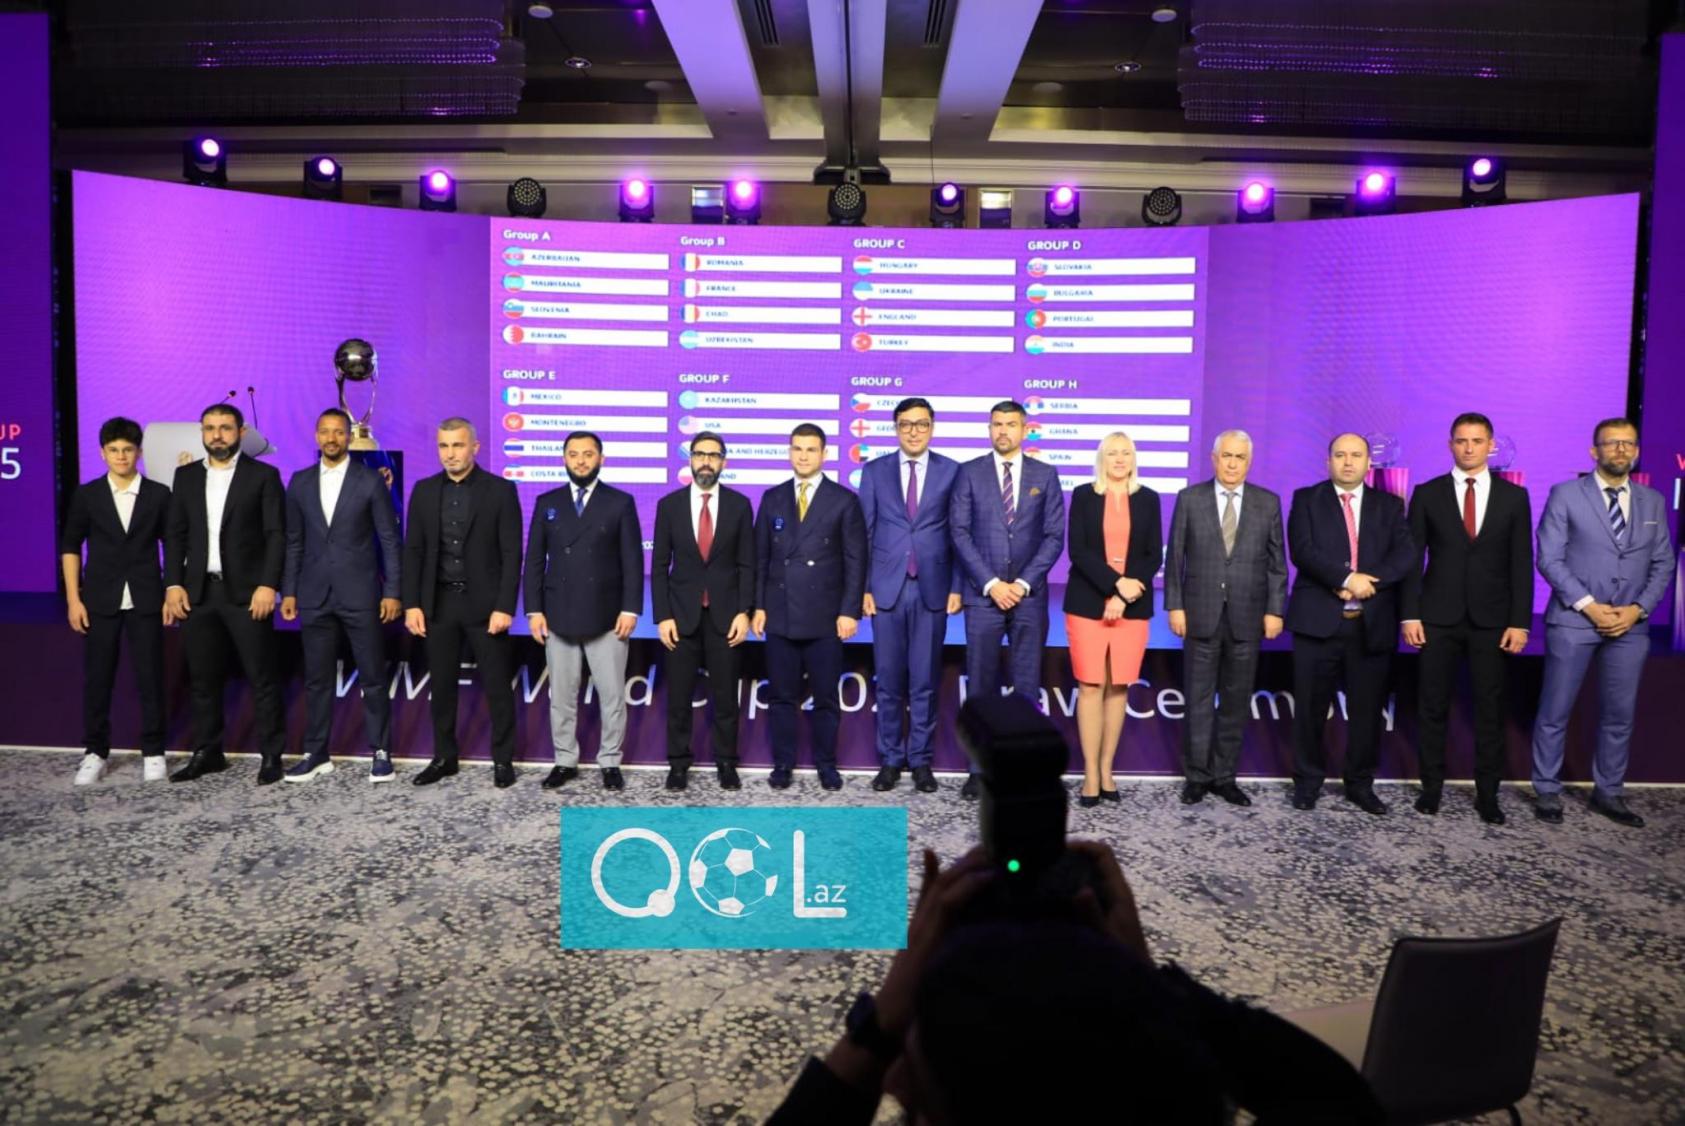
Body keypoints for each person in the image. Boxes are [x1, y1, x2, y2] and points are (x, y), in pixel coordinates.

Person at [767, 844, 1383, 1125]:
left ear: (901, 1083)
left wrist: (879, 1026)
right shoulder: (1165, 1088)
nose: (897, 1078)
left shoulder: (895, 1066)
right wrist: (1152, 987)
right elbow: (1342, 1102)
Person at [1530, 418, 1675, 827]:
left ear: (1637, 451)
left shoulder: (1652, 501)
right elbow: (1549, 559)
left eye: (1628, 443)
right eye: (1612, 443)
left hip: (1631, 626)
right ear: (1594, 451)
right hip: (1574, 621)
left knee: (1619, 714)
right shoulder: (1565, 494)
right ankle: (1546, 790)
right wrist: (1590, 606)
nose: (1621, 450)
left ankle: (1608, 792)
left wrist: (1638, 609)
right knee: (1555, 710)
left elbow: (1663, 562)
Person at [1401, 412, 1533, 824]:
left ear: (1490, 445)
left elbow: (1521, 563)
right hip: (1437, 618)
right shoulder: (1427, 493)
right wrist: (1409, 615)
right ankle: (1431, 789)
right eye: (1461, 440)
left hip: (1492, 620)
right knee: (1432, 707)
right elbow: (1411, 561)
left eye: (1477, 441)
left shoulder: (1514, 497)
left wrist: (1520, 622)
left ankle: (1488, 795)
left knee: (1490, 709)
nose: (1469, 448)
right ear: (1450, 445)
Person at [1285, 433, 1416, 814]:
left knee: (1367, 711)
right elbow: (1302, 550)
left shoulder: (1390, 505)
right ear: (1327, 461)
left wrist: (1367, 582)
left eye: (1355, 455)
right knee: (1310, 709)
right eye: (1340, 455)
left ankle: (1360, 783)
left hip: (1370, 624)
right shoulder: (1306, 499)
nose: (1347, 462)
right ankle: (1307, 782)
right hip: (1317, 622)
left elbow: (1405, 554)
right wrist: (1344, 579)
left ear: (1367, 463)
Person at [163, 403, 288, 784]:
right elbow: (175, 535)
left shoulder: (264, 476)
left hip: (248, 594)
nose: (217, 435)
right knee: (203, 679)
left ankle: (271, 756)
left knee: (262, 678)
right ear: (202, 432)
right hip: (199, 594)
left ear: (241, 432)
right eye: (210, 428)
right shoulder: (185, 476)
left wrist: (268, 585)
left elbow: (276, 535)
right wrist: (173, 584)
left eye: (225, 428)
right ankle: (209, 752)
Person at [948, 400, 1067, 800]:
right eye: (996, 424)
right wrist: (992, 584)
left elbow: (1054, 537)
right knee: (980, 687)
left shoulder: (1045, 475)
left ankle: (1021, 770)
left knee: (1026, 689)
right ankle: (978, 769)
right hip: (984, 598)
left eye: (1010, 424)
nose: (1003, 431)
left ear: (1024, 429)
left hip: (1028, 599)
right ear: (989, 429)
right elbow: (959, 533)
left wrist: (1023, 583)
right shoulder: (969, 473)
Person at [1163, 430, 1287, 807]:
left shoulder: (1267, 502)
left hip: (1248, 618)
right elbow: (1175, 559)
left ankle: (1224, 776)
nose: (1233, 464)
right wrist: (1175, 606)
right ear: (1214, 459)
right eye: (1227, 456)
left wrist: (1275, 610)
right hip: (1199, 615)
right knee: (1198, 700)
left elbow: (1277, 564)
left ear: (1249, 462)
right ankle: (1197, 776)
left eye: (1240, 457)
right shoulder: (1190, 498)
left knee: (1235, 701)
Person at [278, 408, 402, 783]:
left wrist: (392, 591)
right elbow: (294, 541)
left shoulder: (370, 480)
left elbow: (389, 539)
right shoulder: (299, 481)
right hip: (314, 595)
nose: (331, 438)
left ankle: (381, 752)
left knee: (372, 677)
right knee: (316, 679)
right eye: (325, 432)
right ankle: (316, 753)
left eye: (338, 432)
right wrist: (289, 590)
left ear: (349, 436)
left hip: (361, 594)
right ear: (316, 436)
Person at [400, 418, 523, 788]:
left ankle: (503, 760)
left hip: (486, 606)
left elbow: (511, 553)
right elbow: (414, 550)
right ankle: (444, 757)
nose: (450, 453)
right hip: (438, 604)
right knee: (442, 687)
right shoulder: (423, 490)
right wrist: (412, 603)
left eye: (457, 445)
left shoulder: (500, 490)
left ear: (475, 448)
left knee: (497, 687)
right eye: (444, 446)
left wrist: (505, 606)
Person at [522, 430, 642, 793]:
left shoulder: (620, 502)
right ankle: (564, 760)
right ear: (564, 459)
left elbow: (633, 562)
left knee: (612, 696)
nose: (580, 461)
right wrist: (533, 611)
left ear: (601, 459)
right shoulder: (547, 502)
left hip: (608, 616)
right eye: (573, 454)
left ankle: (610, 761)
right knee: (561, 697)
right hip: (558, 614)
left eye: (588, 454)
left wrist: (631, 609)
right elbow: (534, 561)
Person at [752, 424, 866, 790]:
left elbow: (856, 561)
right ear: (789, 452)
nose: (803, 456)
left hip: (826, 617)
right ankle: (783, 763)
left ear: (824, 454)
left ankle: (826, 764)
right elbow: (760, 559)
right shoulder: (772, 498)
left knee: (826, 699)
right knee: (782, 697)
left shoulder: (844, 500)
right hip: (780, 614)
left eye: (811, 449)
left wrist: (849, 611)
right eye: (797, 449)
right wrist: (758, 606)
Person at [60, 417, 172, 785]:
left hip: (146, 598)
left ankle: (154, 752)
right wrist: (74, 599)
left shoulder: (158, 494)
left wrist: (171, 591)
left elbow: (173, 547)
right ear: (102, 453)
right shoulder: (87, 495)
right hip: (99, 599)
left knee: (150, 678)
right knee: (98, 679)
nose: (121, 456)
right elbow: (71, 546)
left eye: (127, 449)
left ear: (138, 453)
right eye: (113, 450)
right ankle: (95, 752)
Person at [859, 397, 962, 794]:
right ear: (896, 428)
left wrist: (957, 587)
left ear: (932, 428)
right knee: (887, 681)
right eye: (906, 424)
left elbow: (959, 534)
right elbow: (865, 532)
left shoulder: (952, 471)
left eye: (921, 424)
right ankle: (890, 759)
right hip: (886, 590)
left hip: (933, 590)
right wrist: (864, 588)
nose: (914, 431)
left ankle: (920, 760)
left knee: (924, 681)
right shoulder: (875, 471)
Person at [651, 431, 755, 792]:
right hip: (681, 618)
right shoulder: (669, 506)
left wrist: (744, 611)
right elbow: (659, 565)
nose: (706, 461)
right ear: (690, 459)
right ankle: (678, 764)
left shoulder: (740, 505)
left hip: (726, 618)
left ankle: (726, 762)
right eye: (700, 454)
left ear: (724, 461)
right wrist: (662, 616)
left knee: (726, 697)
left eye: (713, 455)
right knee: (679, 697)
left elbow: (747, 564)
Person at [1061, 433, 1161, 807]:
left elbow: (1152, 555)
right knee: (1090, 685)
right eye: (1113, 453)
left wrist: (1124, 595)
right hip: (1087, 602)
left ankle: (1106, 770)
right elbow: (1079, 551)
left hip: (1132, 606)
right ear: (1102, 459)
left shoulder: (1149, 498)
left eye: (1126, 453)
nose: (1119, 459)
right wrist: (1115, 584)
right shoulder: (1084, 495)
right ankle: (1089, 773)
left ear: (1134, 459)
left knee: (1118, 687)